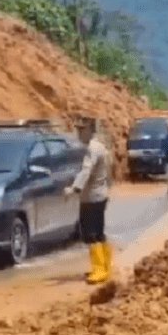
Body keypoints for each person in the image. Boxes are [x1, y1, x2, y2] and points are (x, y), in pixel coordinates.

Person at [66, 118, 112, 284]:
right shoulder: (100, 146)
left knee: (92, 234)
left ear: (90, 131)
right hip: (99, 195)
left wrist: (74, 188)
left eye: (82, 130)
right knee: (99, 233)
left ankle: (99, 270)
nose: (79, 133)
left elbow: (86, 171)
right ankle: (105, 267)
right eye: (78, 130)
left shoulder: (92, 149)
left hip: (92, 197)